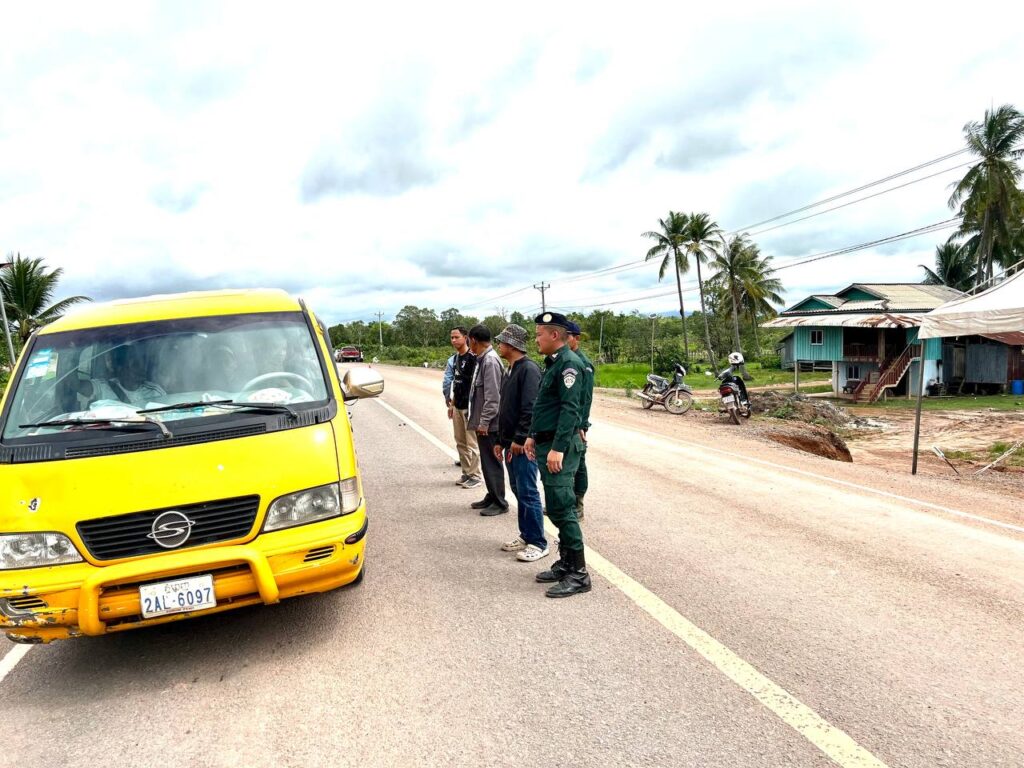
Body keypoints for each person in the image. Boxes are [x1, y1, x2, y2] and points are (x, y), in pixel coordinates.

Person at [525, 312, 590, 598]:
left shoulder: (569, 365)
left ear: (554, 335)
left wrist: (558, 448)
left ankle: (579, 574)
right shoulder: (554, 363)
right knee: (555, 506)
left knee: (562, 508)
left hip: (558, 446)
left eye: (539, 334)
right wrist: (532, 435)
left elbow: (570, 409)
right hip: (546, 441)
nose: (536, 340)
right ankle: (566, 563)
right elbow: (545, 406)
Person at [493, 324, 548, 562]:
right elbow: (505, 408)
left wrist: (520, 438)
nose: (499, 345)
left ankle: (538, 542)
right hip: (510, 444)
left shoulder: (529, 369)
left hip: (522, 445)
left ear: (512, 345)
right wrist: (500, 440)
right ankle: (526, 535)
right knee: (518, 489)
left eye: (502, 342)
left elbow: (530, 408)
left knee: (527, 491)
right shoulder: (511, 369)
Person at [466, 324, 508, 515]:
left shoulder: (490, 361)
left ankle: (499, 502)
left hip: (490, 424)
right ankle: (492, 495)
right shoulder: (483, 359)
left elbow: (493, 397)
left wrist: (484, 422)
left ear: (473, 340)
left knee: (492, 462)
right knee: (487, 462)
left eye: (469, 341)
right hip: (486, 423)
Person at [445, 327, 482, 489]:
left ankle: (476, 476)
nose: (454, 340)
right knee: (460, 442)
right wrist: (452, 405)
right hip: (458, 406)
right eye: (452, 337)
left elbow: (476, 385)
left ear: (465, 338)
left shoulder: (473, 357)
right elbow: (456, 384)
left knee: (472, 443)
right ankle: (467, 472)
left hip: (470, 407)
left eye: (457, 337)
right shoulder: (455, 359)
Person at [566, 322, 594, 522]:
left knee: (578, 464)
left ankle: (578, 505)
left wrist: (582, 425)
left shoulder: (583, 363)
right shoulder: (563, 360)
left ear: (576, 338)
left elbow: (585, 398)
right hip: (565, 423)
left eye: (567, 336)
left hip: (577, 424)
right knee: (565, 465)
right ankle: (564, 503)